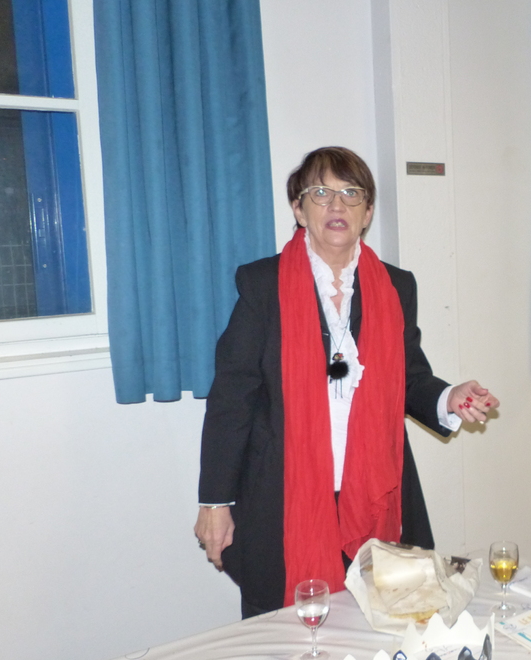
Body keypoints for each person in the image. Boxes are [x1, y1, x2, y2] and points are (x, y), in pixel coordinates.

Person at [195, 146, 499, 617]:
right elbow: (231, 399)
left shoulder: (397, 287)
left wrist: (447, 397)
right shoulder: (262, 285)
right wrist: (215, 502)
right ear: (299, 210)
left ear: (367, 212)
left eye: (351, 193)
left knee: (386, 624)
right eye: (321, 193)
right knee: (285, 634)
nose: (337, 205)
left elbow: (410, 378)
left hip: (376, 493)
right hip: (282, 498)